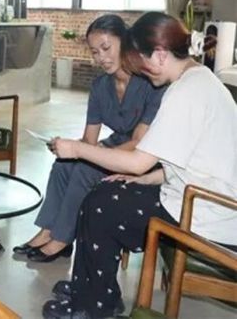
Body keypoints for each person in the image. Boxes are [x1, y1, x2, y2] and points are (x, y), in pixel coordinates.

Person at [42, 12, 237, 319]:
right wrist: (148, 179)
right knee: (106, 192)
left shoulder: (185, 92)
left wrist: (77, 148)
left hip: (206, 213)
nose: (141, 70)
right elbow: (190, 161)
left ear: (159, 55)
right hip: (203, 199)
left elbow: (137, 161)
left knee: (100, 206)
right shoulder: (198, 81)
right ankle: (91, 290)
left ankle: (95, 305)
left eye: (141, 61)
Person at [13, 15, 166, 263]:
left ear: (125, 42)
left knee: (86, 169)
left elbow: (139, 142)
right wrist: (68, 147)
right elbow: (89, 139)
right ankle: (48, 230)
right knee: (63, 165)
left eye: (106, 48)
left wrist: (87, 153)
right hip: (116, 145)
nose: (101, 57)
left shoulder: (150, 84)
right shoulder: (100, 86)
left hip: (144, 153)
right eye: (95, 52)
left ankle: (63, 239)